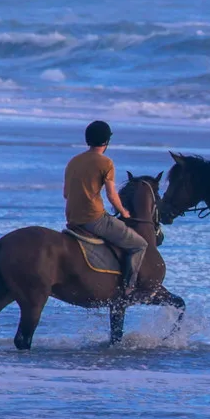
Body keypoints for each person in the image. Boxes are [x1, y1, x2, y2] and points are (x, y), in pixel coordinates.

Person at [63, 121, 147, 295]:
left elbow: (66, 194)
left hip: (72, 218)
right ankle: (129, 289)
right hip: (94, 218)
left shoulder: (73, 161)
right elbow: (111, 195)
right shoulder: (106, 162)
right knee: (140, 244)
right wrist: (123, 211)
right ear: (106, 141)